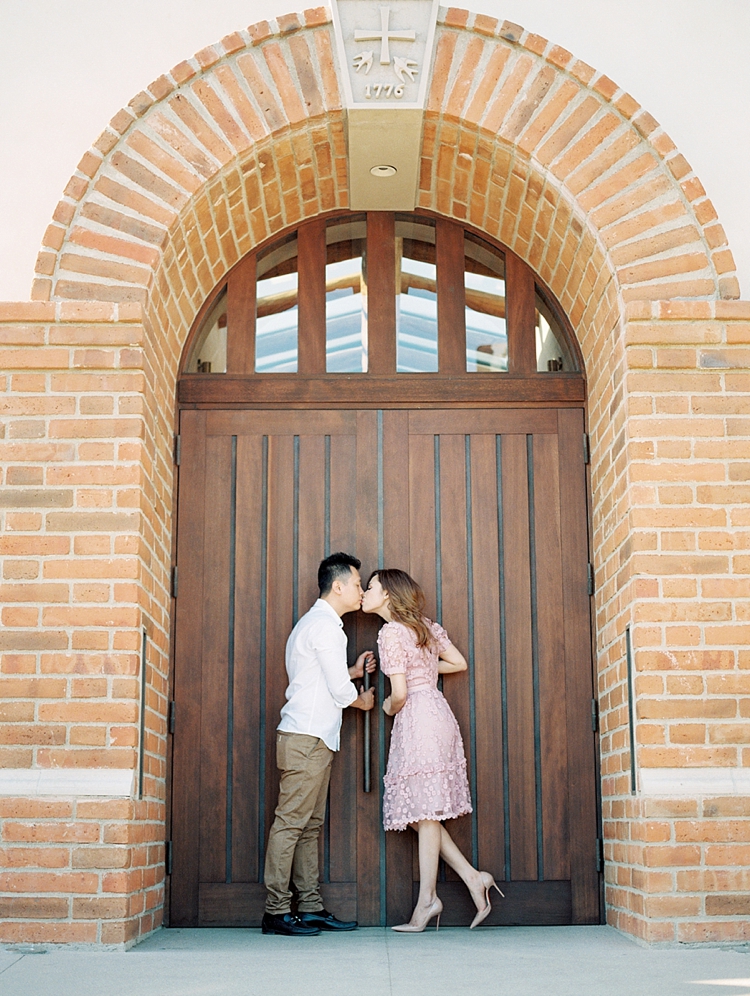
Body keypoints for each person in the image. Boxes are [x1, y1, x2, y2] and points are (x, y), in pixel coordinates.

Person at [362, 568, 503, 931]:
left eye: (372, 586)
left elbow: (400, 694)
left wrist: (387, 707)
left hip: (416, 718)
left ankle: (427, 901)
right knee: (425, 813)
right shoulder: (423, 626)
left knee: (423, 811)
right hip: (438, 712)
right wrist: (422, 669)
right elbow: (458, 662)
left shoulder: (391, 632)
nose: (365, 591)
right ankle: (473, 878)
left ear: (388, 595)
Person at [262, 552, 376, 936]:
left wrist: (353, 672)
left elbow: (319, 680)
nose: (361, 590)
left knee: (309, 826)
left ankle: (309, 906)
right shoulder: (326, 627)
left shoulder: (315, 624)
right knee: (292, 824)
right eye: (358, 584)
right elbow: (341, 693)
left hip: (314, 738)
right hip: (306, 739)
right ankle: (276, 910)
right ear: (339, 586)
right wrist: (361, 698)